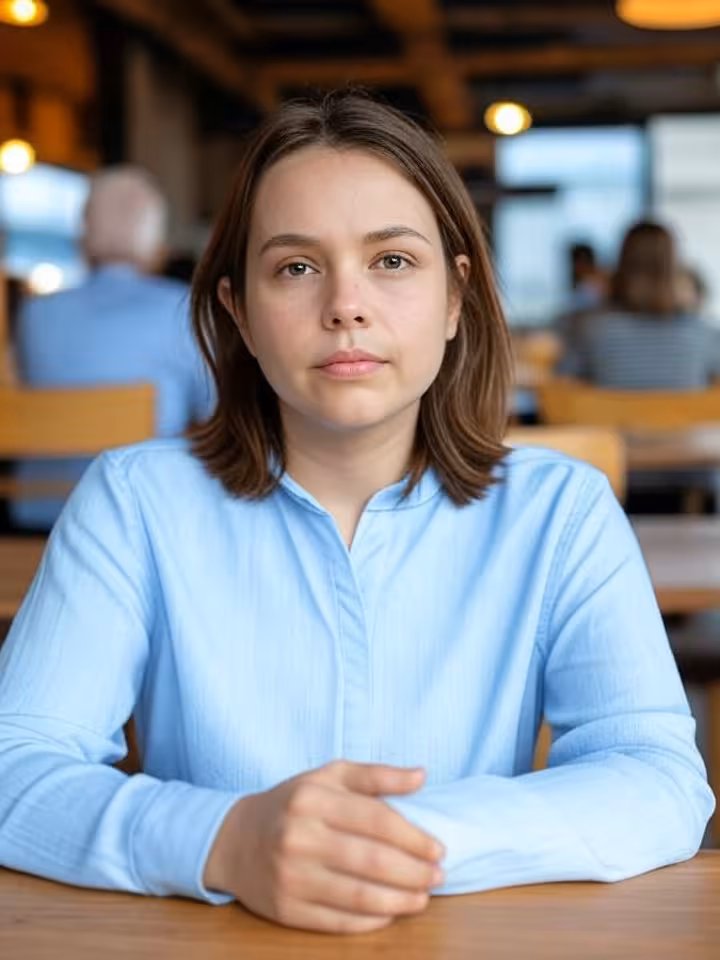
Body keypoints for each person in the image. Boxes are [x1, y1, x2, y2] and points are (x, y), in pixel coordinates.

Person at [0, 93, 712, 935]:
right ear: (240, 314)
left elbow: (661, 780)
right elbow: (16, 769)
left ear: (456, 299)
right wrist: (225, 842)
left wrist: (386, 843)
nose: (346, 304)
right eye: (296, 267)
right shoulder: (134, 501)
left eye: (393, 262)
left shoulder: (562, 510)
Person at [11, 166, 212, 530]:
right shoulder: (183, 309)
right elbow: (215, 417)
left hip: (34, 523)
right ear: (155, 242)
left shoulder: (35, 315)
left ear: (83, 235)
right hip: (138, 523)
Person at [560, 221, 720, 387]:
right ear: (674, 268)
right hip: (688, 414)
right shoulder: (701, 334)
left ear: (621, 264)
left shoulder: (593, 330)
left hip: (612, 413)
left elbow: (564, 382)